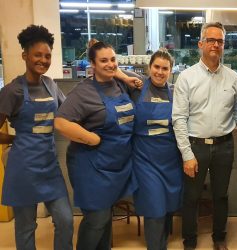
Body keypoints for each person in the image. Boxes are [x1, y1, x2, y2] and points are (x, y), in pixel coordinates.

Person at [54, 42, 139, 250]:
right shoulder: (84, 92)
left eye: (112, 60)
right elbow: (60, 122)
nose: (110, 64)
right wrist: (91, 138)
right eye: (103, 60)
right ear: (92, 64)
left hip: (113, 165)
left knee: (105, 218)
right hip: (90, 165)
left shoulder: (119, 84)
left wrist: (123, 75)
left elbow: (118, 72)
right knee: (97, 219)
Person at [0, 25, 73, 250]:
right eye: (37, 55)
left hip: (49, 167)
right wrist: (14, 140)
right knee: (25, 227)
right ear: (25, 56)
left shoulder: (51, 86)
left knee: (65, 220)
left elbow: (69, 113)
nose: (43, 60)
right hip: (23, 169)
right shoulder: (12, 91)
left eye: (48, 55)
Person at [172, 22, 237, 250]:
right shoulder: (186, 77)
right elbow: (179, 118)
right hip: (196, 146)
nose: (215, 45)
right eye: (211, 40)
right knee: (191, 197)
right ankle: (190, 241)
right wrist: (186, 154)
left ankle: (219, 238)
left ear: (224, 45)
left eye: (220, 41)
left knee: (221, 195)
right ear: (201, 43)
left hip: (224, 146)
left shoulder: (234, 78)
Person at [131, 49, 183, 250]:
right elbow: (113, 70)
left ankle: (161, 244)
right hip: (145, 160)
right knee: (154, 209)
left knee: (168, 206)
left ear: (171, 71)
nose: (160, 72)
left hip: (170, 161)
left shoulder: (176, 91)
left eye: (165, 68)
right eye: (156, 67)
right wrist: (127, 79)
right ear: (148, 68)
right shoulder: (136, 88)